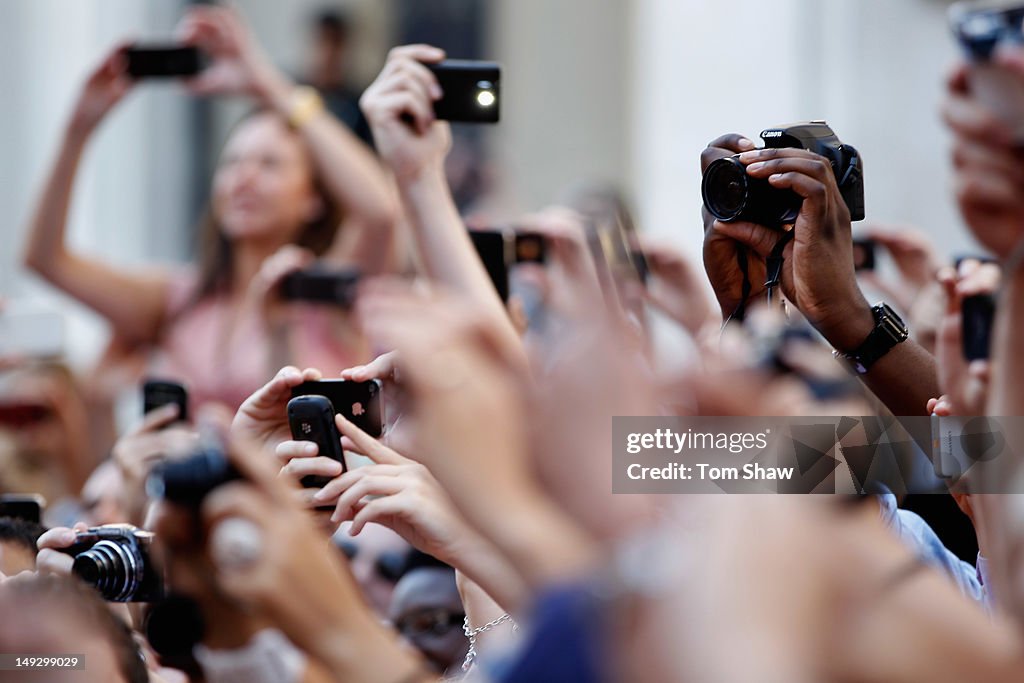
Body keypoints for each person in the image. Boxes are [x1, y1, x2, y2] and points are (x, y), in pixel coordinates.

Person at [22, 5, 397, 412]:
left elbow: (382, 211)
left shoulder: (326, 298)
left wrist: (266, 83)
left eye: (268, 164)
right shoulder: (179, 299)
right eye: (233, 162)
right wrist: (79, 128)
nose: (244, 177)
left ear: (314, 200)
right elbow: (46, 259)